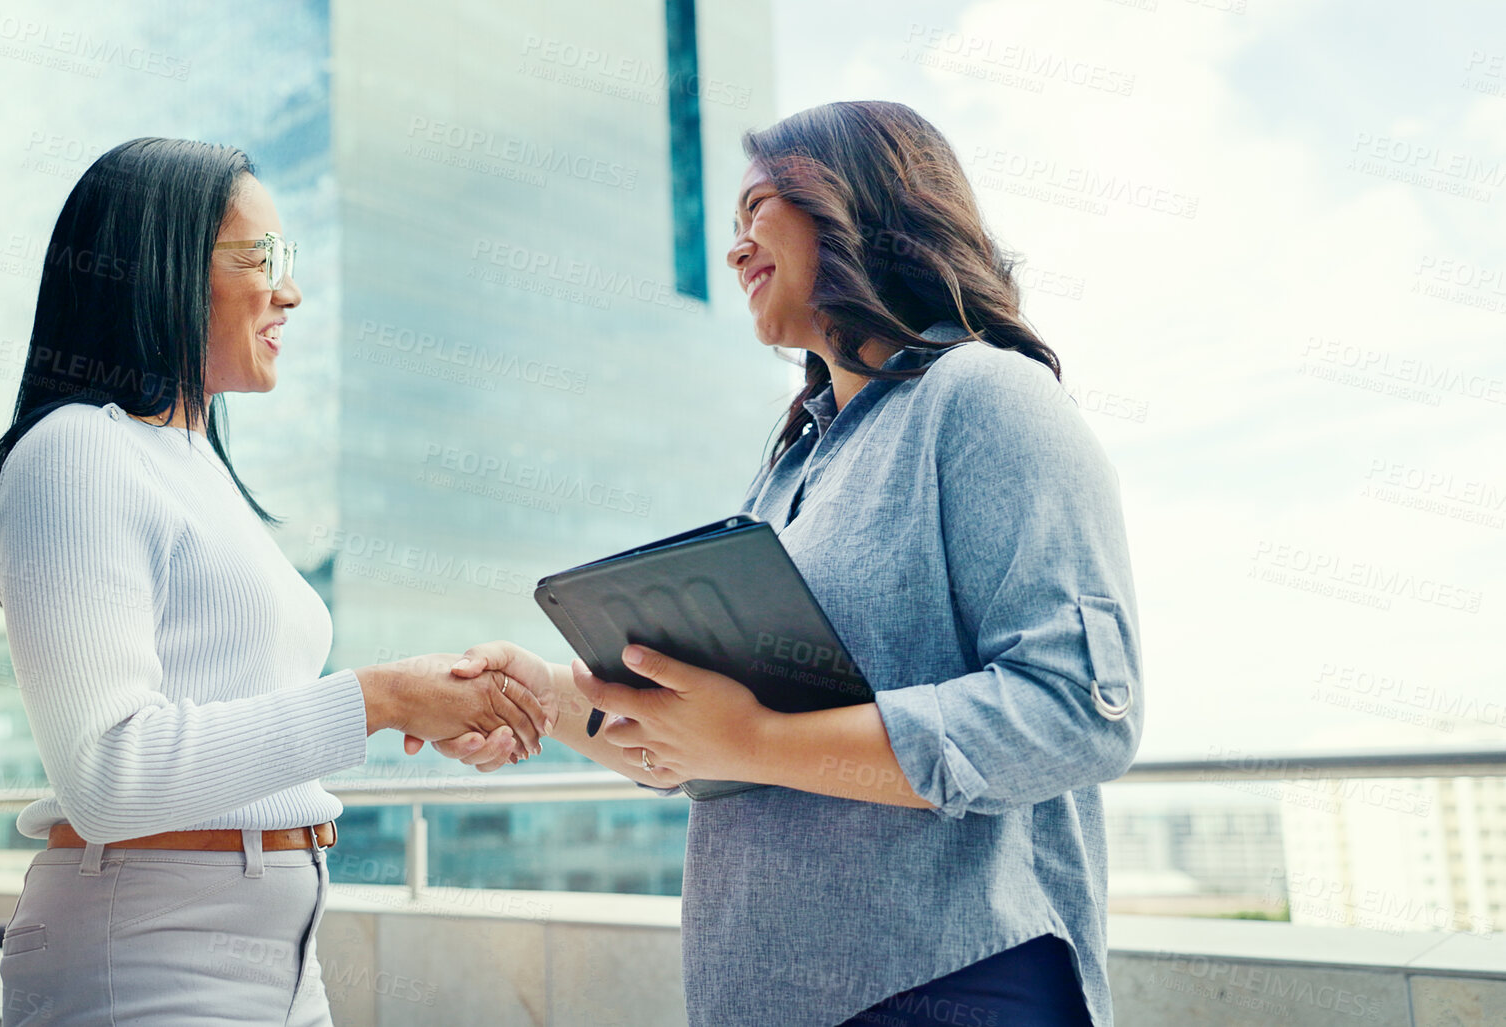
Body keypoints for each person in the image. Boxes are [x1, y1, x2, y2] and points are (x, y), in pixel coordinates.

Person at [435, 101, 1143, 1027]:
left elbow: (1078, 709)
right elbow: (708, 746)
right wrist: (543, 694)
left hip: (947, 983)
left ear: (862, 206)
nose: (735, 250)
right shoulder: (793, 466)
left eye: (760, 207)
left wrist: (753, 740)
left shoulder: (985, 397)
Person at [0, 137, 551, 1027]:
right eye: (262, 257)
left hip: (279, 948)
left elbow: (242, 715)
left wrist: (430, 706)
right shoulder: (78, 449)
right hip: (150, 952)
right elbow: (105, 775)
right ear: (160, 265)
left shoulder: (198, 464)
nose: (290, 290)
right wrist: (383, 698)